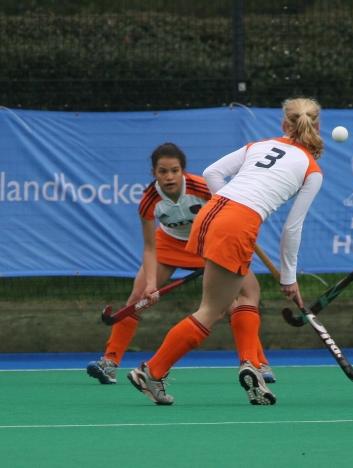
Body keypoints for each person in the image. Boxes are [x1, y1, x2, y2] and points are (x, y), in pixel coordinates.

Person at [127, 98, 324, 406]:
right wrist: (289, 278)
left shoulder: (259, 145)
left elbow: (212, 172)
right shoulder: (312, 170)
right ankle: (151, 371)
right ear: (317, 126)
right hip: (236, 223)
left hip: (212, 212)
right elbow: (292, 228)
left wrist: (228, 207)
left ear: (284, 124)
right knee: (212, 310)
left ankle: (251, 365)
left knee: (248, 291)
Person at [86, 143, 275, 386]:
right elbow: (149, 247)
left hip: (208, 241)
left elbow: (233, 214)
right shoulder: (149, 200)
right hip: (169, 246)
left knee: (232, 303)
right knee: (136, 298)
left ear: (182, 171)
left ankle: (257, 363)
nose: (169, 177)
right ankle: (109, 362)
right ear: (154, 173)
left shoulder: (202, 187)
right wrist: (151, 284)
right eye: (163, 171)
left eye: (174, 171)